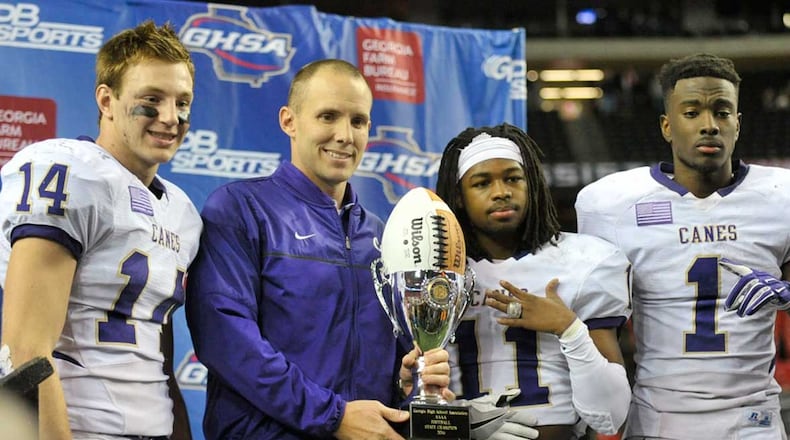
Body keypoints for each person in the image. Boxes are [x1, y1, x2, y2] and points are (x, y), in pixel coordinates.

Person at [185, 59, 453, 440]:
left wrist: (409, 384)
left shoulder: (383, 237)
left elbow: (395, 368)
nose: (345, 135)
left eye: (358, 121)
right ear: (288, 121)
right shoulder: (239, 209)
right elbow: (227, 341)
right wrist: (333, 416)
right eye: (328, 116)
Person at [0, 20, 199, 440]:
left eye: (182, 101)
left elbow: (160, 357)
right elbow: (26, 350)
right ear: (107, 101)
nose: (170, 117)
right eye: (152, 99)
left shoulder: (182, 211)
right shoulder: (70, 170)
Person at [575, 53, 790, 439]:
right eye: (692, 113)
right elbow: (599, 329)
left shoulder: (781, 196)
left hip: (753, 422)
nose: (709, 126)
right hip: (658, 420)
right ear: (667, 125)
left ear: (737, 125)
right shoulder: (610, 203)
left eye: (722, 112)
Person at [436, 122, 632, 439]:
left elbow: (611, 416)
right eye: (482, 183)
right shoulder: (437, 276)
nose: (501, 192)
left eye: (513, 178)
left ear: (532, 185)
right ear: (458, 196)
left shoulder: (584, 262)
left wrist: (568, 328)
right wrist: (457, 423)